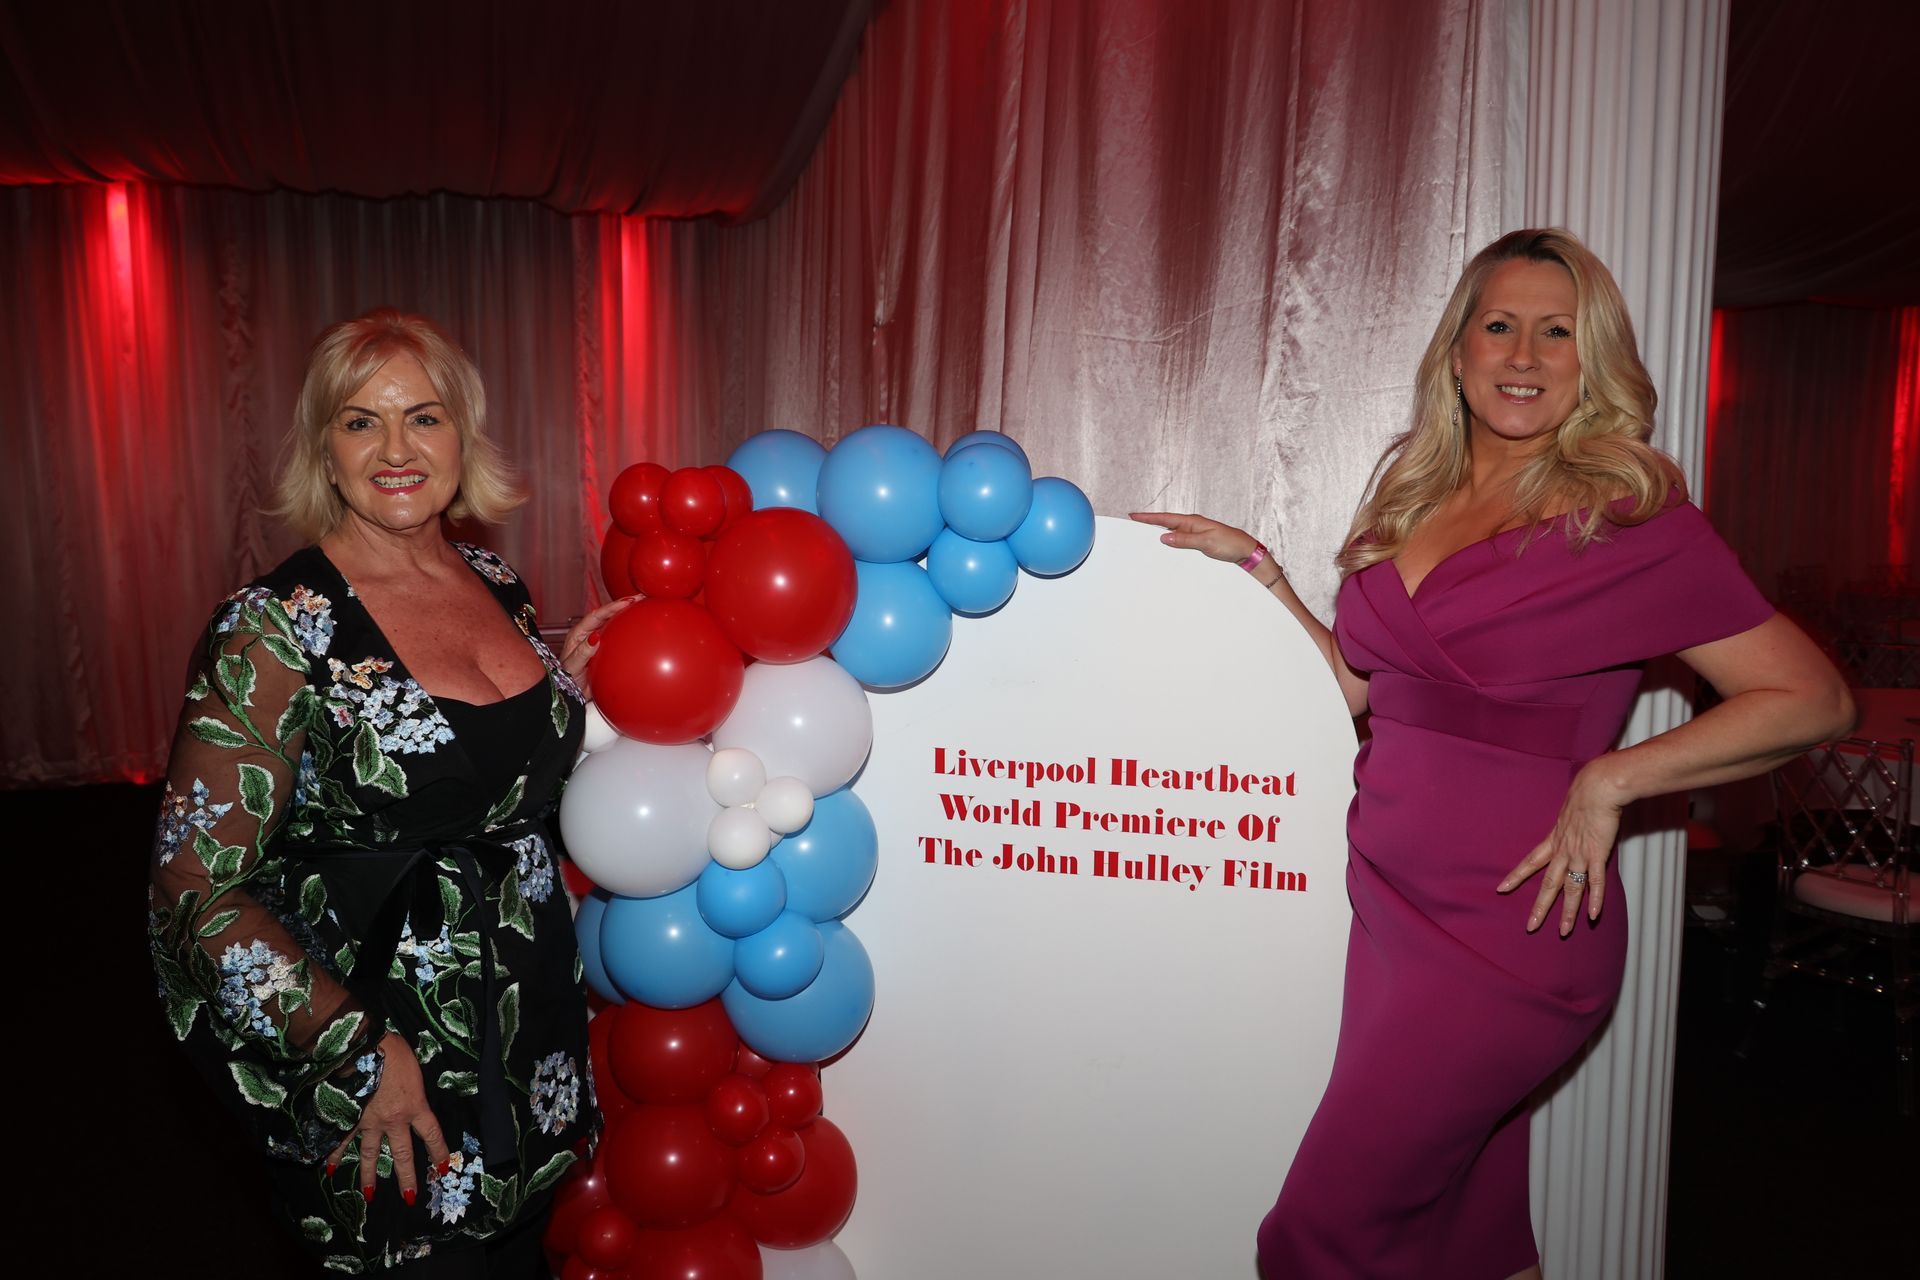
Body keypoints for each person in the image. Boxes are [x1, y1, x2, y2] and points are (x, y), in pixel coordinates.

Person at [1134, 228, 1853, 1279]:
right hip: (1389, 910)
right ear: (1459, 352)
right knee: (1468, 1239)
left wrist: (1613, 778)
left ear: (1590, 359)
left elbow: (1814, 697)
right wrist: (1261, 570)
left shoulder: (1628, 520)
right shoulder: (1412, 500)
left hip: (1516, 926)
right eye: (1500, 325)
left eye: (1557, 332)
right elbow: (1364, 691)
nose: (1524, 354)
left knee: (1316, 1237)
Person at [149, 308, 631, 1275]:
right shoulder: (275, 627)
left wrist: (568, 690)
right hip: (387, 1055)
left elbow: (485, 772)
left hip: (529, 1033)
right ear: (324, 450)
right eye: (361, 421)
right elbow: (192, 885)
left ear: (463, 435)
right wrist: (355, 1047)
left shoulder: (495, 581)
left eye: (425, 417)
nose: (397, 450)